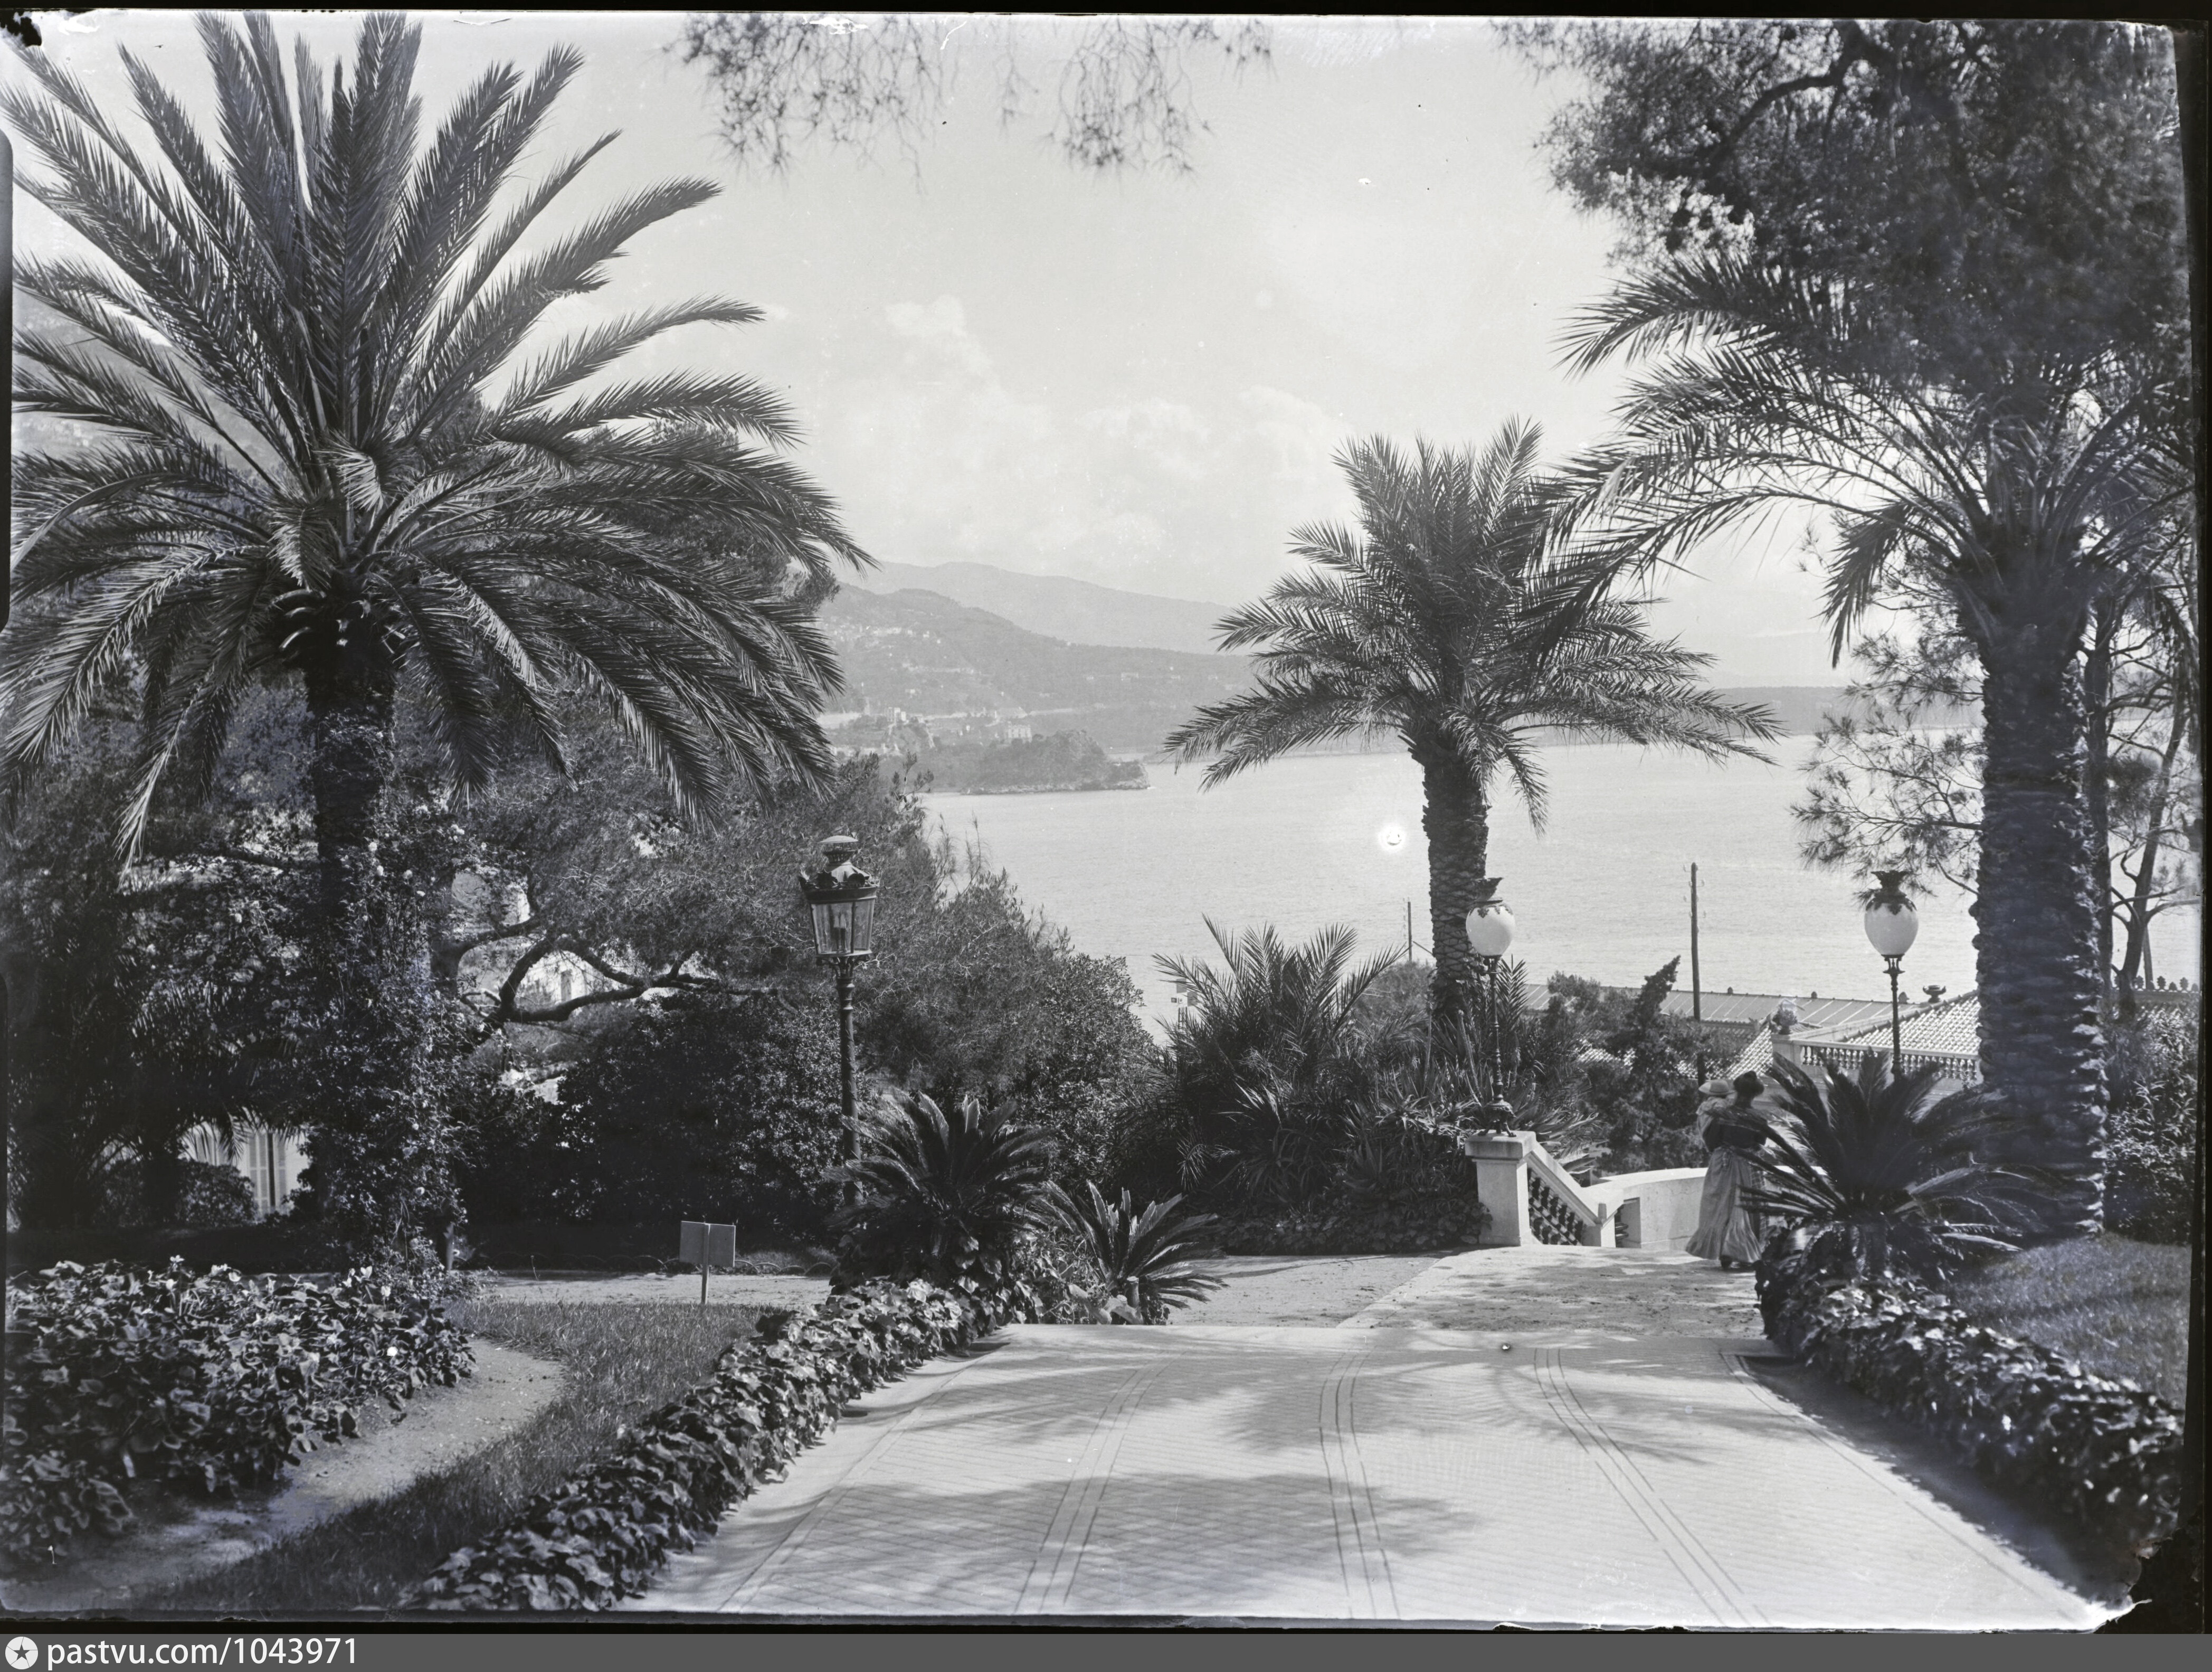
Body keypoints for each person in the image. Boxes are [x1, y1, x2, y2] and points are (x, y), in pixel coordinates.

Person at [1685, 1071, 1773, 1271]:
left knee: (1720, 1206)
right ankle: (1742, 1251)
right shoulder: (1759, 1118)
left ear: (1736, 1091)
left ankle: (1724, 1252)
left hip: (1723, 1164)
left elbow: (1712, 1141)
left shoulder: (1723, 1115)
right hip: (1747, 1164)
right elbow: (1760, 1142)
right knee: (1747, 1207)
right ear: (1755, 1095)